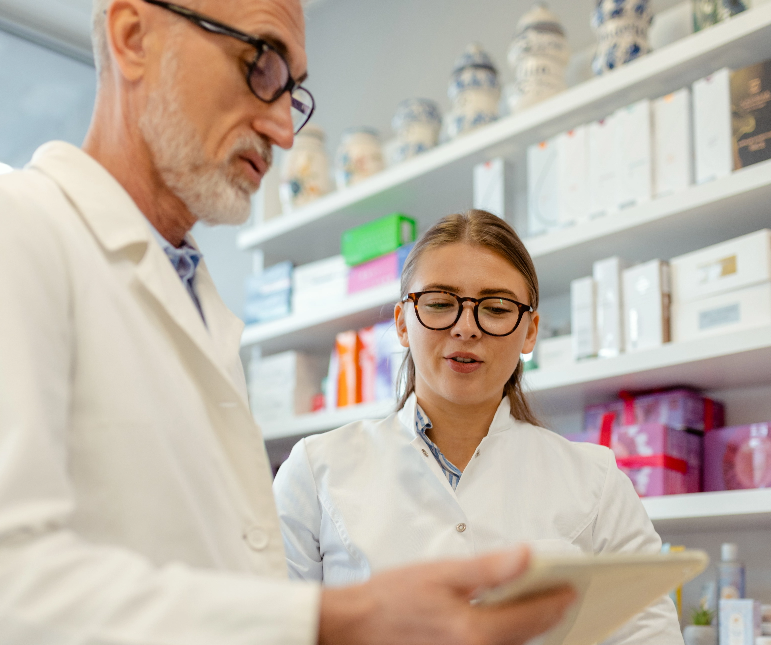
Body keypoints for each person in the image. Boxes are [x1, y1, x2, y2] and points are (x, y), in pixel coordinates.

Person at [0, 0, 576, 643]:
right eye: (262, 64)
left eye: (293, 93)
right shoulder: (16, 225)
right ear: (133, 37)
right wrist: (347, 618)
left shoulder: (194, 303)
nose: (283, 131)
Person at [274, 210, 684, 644]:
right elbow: (266, 630)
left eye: (496, 308)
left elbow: (650, 635)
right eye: (439, 303)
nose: (466, 328)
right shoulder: (316, 468)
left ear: (530, 332)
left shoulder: (597, 481)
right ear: (401, 323)